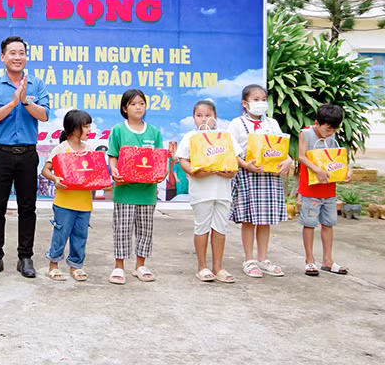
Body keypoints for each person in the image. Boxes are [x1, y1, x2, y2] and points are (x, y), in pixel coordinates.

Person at [0, 36, 50, 278]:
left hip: (28, 154)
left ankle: (25, 257)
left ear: (26, 57)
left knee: (27, 208)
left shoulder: (37, 85)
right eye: (12, 53)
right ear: (3, 57)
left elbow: (44, 115)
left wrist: (26, 101)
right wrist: (12, 104)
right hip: (1, 153)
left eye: (21, 53)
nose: (17, 57)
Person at [227, 84, 294, 279]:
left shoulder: (272, 123)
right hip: (248, 175)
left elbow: (281, 146)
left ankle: (263, 259)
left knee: (265, 220)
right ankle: (249, 260)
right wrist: (245, 165)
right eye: (256, 99)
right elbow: (231, 149)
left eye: (263, 99)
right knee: (249, 219)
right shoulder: (237, 124)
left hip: (269, 177)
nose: (261, 103)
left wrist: (288, 160)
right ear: (245, 103)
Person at [175, 100, 240, 283]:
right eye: (199, 115)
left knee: (220, 228)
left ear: (215, 117)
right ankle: (202, 267)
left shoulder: (225, 136)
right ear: (193, 118)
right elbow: (183, 159)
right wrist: (194, 171)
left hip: (223, 191)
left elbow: (234, 160)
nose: (204, 119)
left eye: (208, 115)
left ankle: (218, 267)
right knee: (202, 227)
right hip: (201, 191)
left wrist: (229, 172)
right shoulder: (191, 137)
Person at [107, 89, 164, 285]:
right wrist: (114, 170)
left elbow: (159, 159)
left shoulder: (154, 132)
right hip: (125, 191)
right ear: (125, 108)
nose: (138, 107)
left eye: (141, 103)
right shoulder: (118, 130)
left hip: (147, 192)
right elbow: (113, 155)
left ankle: (141, 265)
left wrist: (161, 173)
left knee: (145, 230)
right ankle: (119, 266)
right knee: (122, 230)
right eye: (133, 104)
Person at [298, 104, 352, 276]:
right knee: (309, 223)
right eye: (328, 129)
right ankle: (309, 260)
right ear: (317, 123)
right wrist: (317, 170)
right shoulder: (306, 133)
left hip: (329, 188)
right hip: (311, 188)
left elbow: (338, 157)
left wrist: (347, 170)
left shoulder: (332, 135)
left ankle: (328, 260)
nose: (330, 133)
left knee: (328, 223)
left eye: (334, 130)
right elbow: (301, 156)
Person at [41, 110, 95, 282]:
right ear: (73, 128)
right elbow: (46, 170)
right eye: (85, 126)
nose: (89, 130)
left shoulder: (90, 150)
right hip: (64, 203)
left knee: (80, 237)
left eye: (89, 126)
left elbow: (94, 174)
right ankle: (54, 265)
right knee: (60, 235)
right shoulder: (61, 148)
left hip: (85, 204)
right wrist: (55, 178)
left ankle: (75, 267)